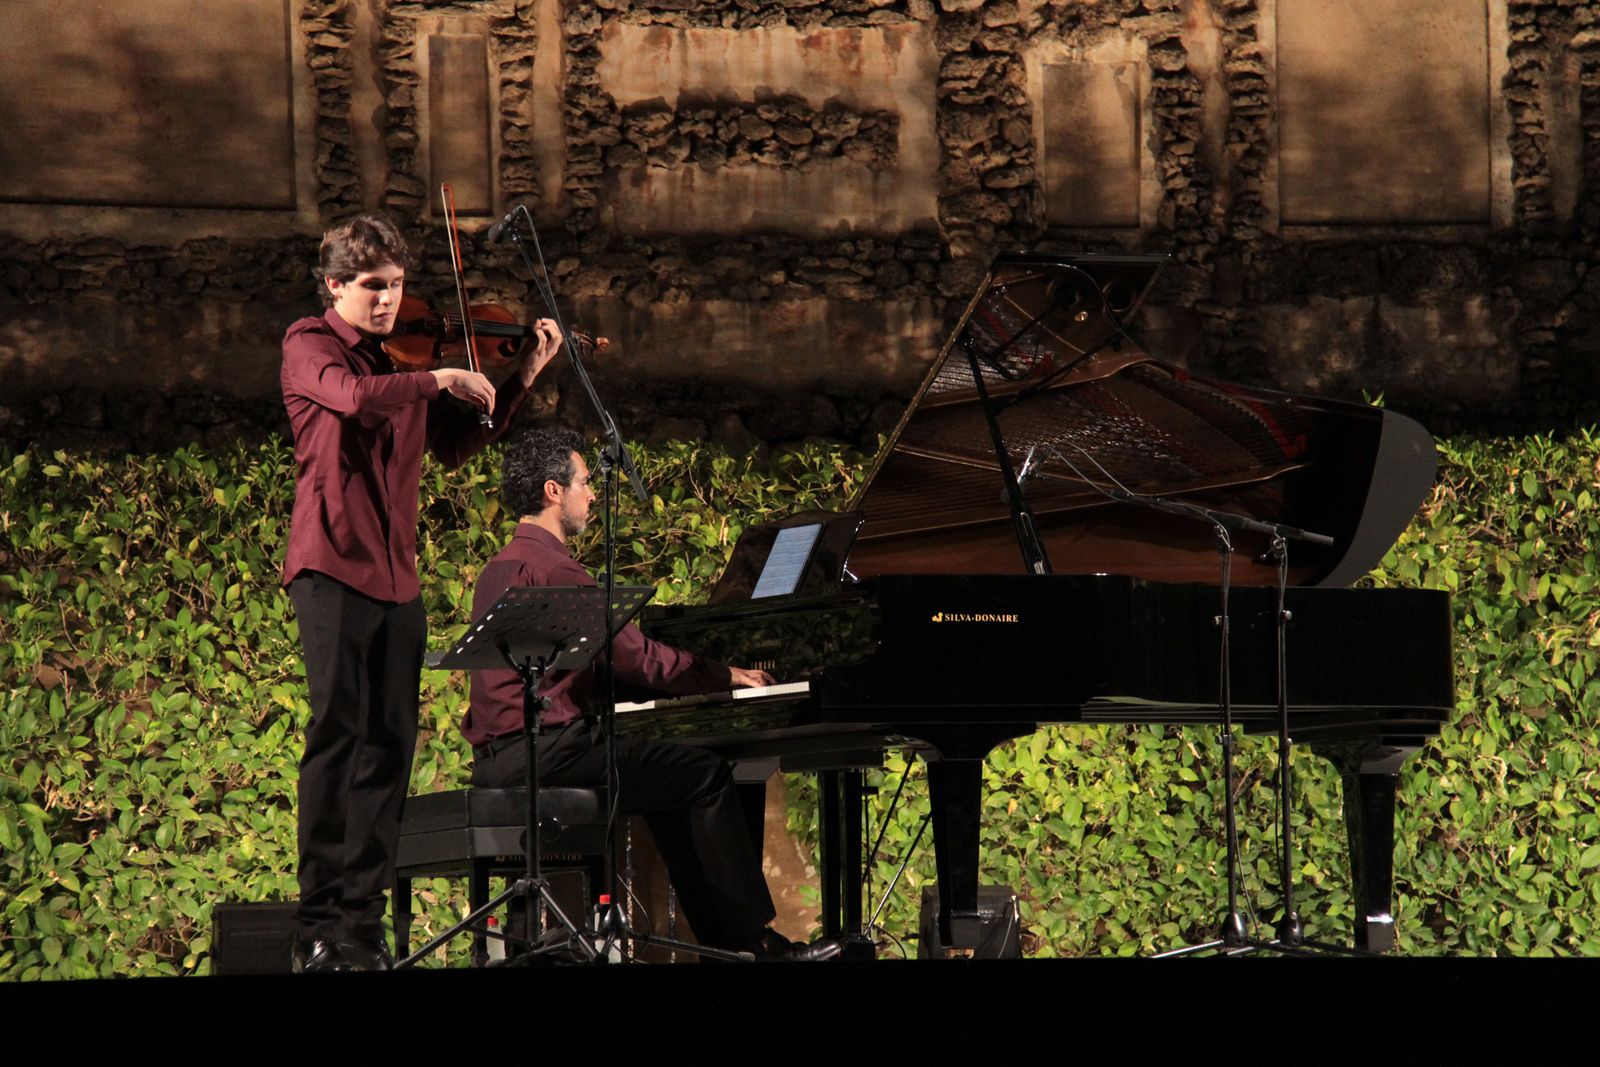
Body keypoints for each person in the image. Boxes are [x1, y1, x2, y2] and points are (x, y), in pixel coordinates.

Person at [280, 213, 562, 972]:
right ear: (336, 285)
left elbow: (456, 444)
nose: (388, 301)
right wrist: (436, 377)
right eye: (374, 287)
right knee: (338, 737)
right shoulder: (310, 344)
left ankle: (363, 926)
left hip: (396, 578)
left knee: (390, 750)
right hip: (330, 565)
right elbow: (349, 397)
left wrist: (522, 376)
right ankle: (316, 926)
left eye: (397, 286)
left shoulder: (401, 357)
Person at [463, 426, 843, 961]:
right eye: (586, 483)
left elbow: (581, 668)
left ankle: (725, 944)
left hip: (498, 756)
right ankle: (747, 941)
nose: (592, 495)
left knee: (671, 781)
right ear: (554, 491)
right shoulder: (557, 568)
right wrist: (723, 674)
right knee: (705, 775)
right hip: (546, 752)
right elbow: (635, 658)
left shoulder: (498, 566)